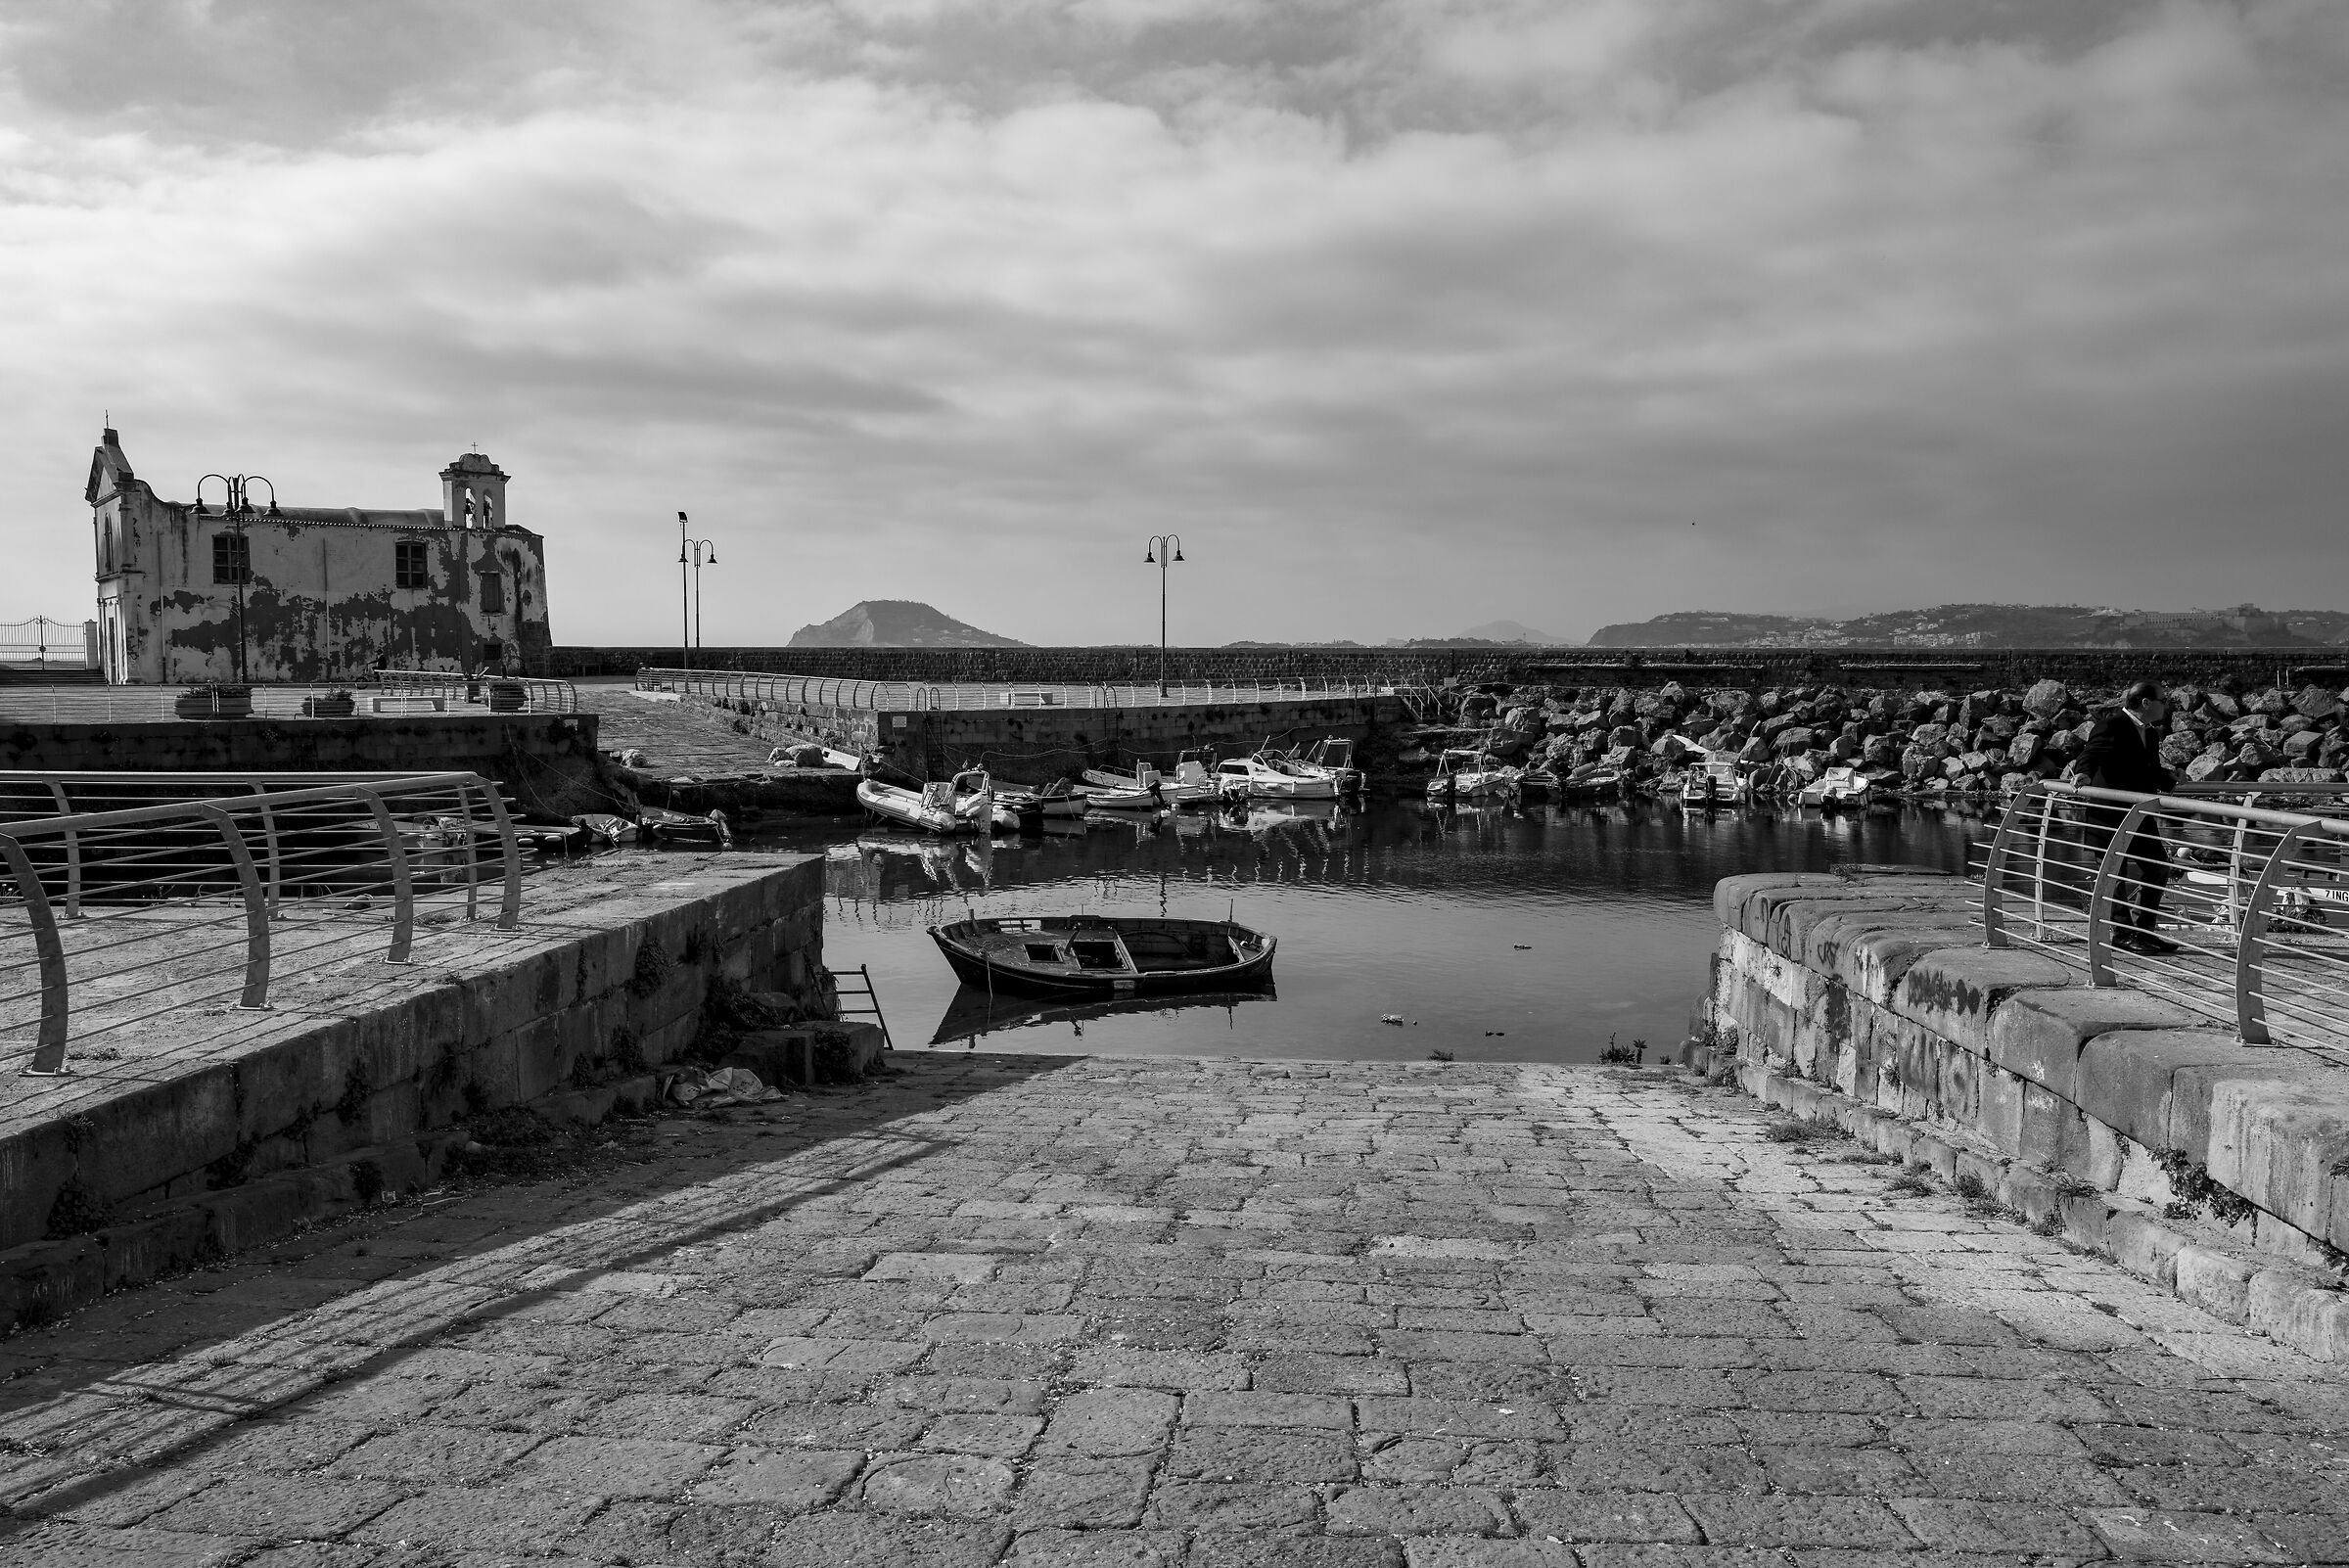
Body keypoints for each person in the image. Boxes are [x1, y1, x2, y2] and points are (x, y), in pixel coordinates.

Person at [2078, 681, 2179, 954]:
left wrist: (2170, 779)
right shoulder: (2112, 725)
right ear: (2146, 703)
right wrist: (2083, 774)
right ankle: (2122, 934)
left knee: (2158, 866)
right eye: (2163, 700)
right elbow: (2091, 754)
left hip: (2139, 814)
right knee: (2115, 874)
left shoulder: (2151, 733)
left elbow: (2148, 771)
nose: (2166, 705)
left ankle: (2144, 932)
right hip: (2108, 814)